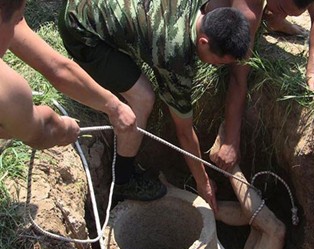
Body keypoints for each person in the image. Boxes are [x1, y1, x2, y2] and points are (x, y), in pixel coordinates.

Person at [58, 0, 251, 211]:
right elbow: (184, 132)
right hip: (79, 28)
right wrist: (203, 182)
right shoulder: (176, 56)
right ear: (203, 42)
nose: (216, 67)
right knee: (143, 98)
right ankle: (123, 180)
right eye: (218, 61)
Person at [0, 0, 137, 151]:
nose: (15, 29)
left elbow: (56, 67)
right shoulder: (8, 91)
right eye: (16, 20)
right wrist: (64, 128)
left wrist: (114, 107)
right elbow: (41, 131)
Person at [209, 0, 314, 171]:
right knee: (219, 27)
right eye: (281, 9)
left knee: (272, 16)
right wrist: (230, 141)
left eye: (290, 13)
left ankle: (277, 22)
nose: (283, 13)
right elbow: (237, 78)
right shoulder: (248, 12)